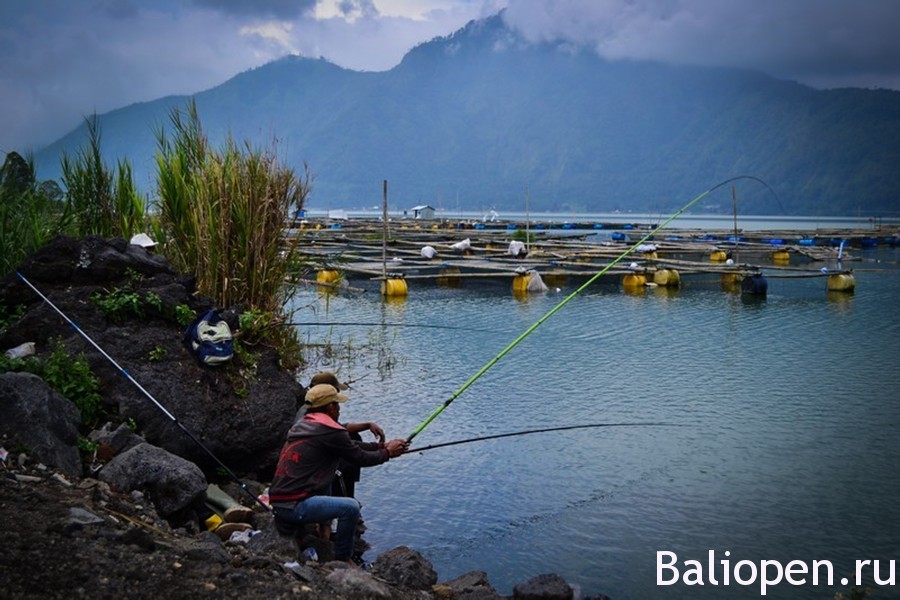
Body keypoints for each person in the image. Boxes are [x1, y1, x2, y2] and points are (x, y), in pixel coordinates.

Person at [269, 383, 408, 563]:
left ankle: (322, 532)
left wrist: (381, 447)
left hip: (280, 502)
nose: (340, 410)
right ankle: (343, 559)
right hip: (294, 507)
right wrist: (388, 453)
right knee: (350, 508)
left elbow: (350, 446)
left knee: (328, 476)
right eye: (338, 405)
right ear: (330, 407)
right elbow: (359, 457)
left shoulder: (304, 424)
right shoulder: (329, 430)